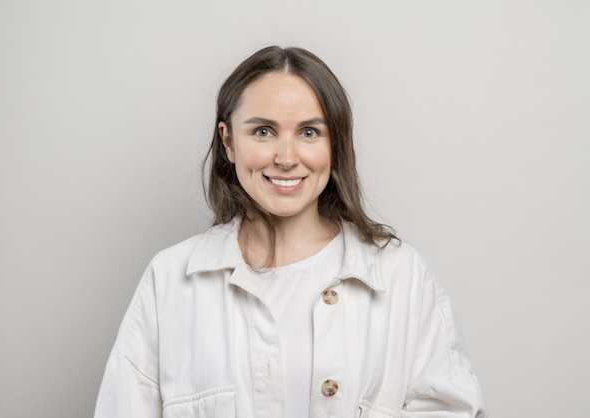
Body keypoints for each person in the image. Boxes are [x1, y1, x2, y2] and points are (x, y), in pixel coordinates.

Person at [94, 45, 487, 418]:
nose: (286, 158)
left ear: (336, 143)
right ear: (228, 141)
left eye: (310, 132)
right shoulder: (170, 280)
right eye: (263, 131)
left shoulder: (401, 276)